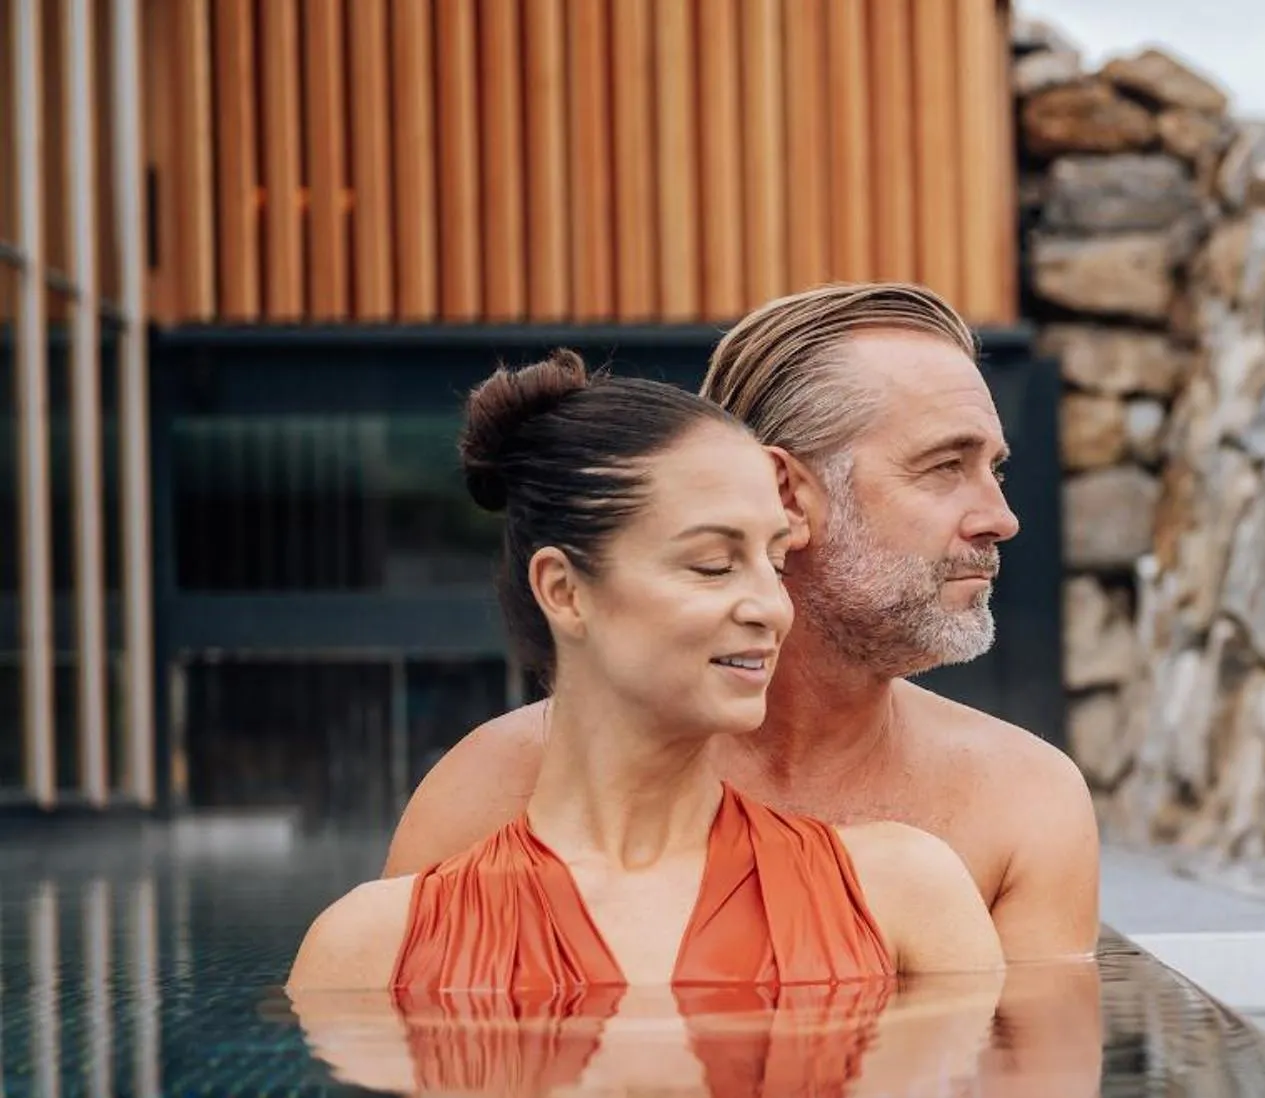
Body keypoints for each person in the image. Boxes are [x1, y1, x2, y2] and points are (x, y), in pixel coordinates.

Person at [382, 283, 1100, 962]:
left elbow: (1021, 1056)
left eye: (996, 470)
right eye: (945, 466)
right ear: (787, 494)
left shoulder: (1022, 804)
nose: (1001, 518)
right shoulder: (491, 791)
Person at [289, 350, 1003, 992]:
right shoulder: (371, 949)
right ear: (564, 592)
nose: (771, 608)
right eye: (714, 565)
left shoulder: (903, 895)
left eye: (776, 562)